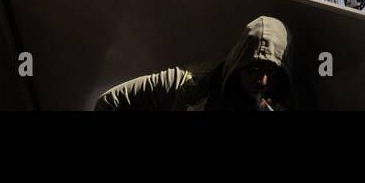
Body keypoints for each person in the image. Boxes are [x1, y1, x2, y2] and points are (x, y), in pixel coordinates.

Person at [95, 16, 293, 111]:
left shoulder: (280, 103)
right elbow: (111, 102)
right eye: (255, 69)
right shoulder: (191, 85)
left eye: (271, 73)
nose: (262, 81)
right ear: (239, 64)